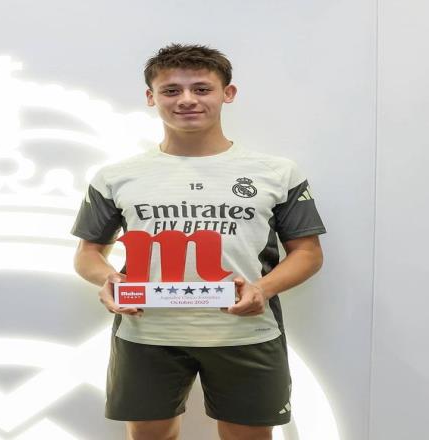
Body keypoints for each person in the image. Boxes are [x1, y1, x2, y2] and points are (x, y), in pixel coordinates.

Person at [71, 43, 326, 440]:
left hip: (246, 332)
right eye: (171, 90)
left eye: (202, 89)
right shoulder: (116, 176)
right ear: (151, 97)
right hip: (145, 334)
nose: (187, 99)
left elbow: (307, 252)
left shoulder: (276, 172)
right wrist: (109, 280)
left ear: (228, 93)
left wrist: (262, 289)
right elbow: (88, 254)